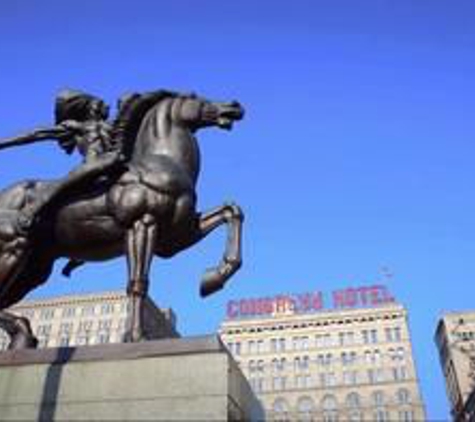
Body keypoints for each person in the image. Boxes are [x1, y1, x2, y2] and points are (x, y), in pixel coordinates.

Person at [0, 89, 125, 234]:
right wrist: (3, 143)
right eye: (97, 104)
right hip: (91, 167)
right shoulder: (77, 127)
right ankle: (35, 207)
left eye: (101, 105)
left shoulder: (112, 126)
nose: (102, 107)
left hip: (110, 166)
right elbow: (36, 134)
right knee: (69, 183)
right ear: (88, 108)